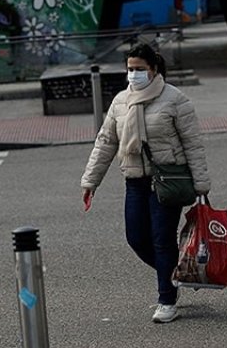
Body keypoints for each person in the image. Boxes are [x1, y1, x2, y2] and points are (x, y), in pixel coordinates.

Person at [80, 42, 210, 324]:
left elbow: (193, 143)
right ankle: (176, 273)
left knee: (162, 239)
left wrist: (201, 185)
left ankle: (167, 300)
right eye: (130, 69)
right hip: (135, 182)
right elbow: (106, 142)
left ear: (153, 69)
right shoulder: (120, 101)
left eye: (139, 69)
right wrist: (91, 181)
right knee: (136, 238)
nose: (133, 74)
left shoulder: (174, 99)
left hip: (166, 181)